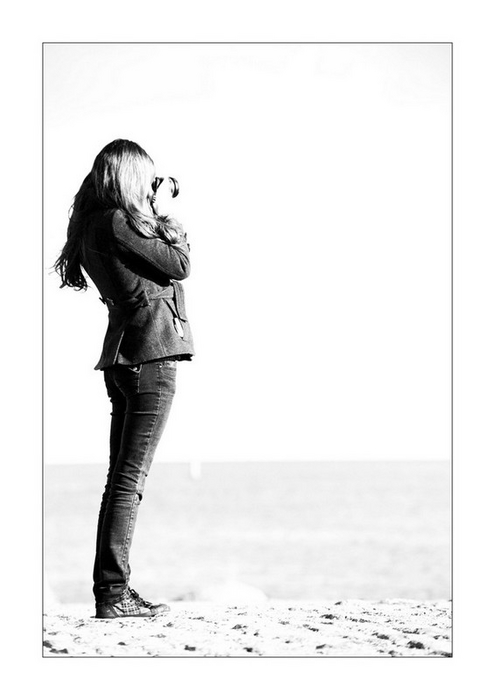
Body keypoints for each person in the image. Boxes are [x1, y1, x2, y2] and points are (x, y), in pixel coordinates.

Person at [54, 139, 194, 618]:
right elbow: (179, 265)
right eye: (147, 178)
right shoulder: (119, 222)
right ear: (131, 177)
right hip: (149, 357)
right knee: (128, 481)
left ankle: (111, 590)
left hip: (124, 358)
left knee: (120, 480)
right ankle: (113, 593)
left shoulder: (95, 224)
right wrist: (163, 212)